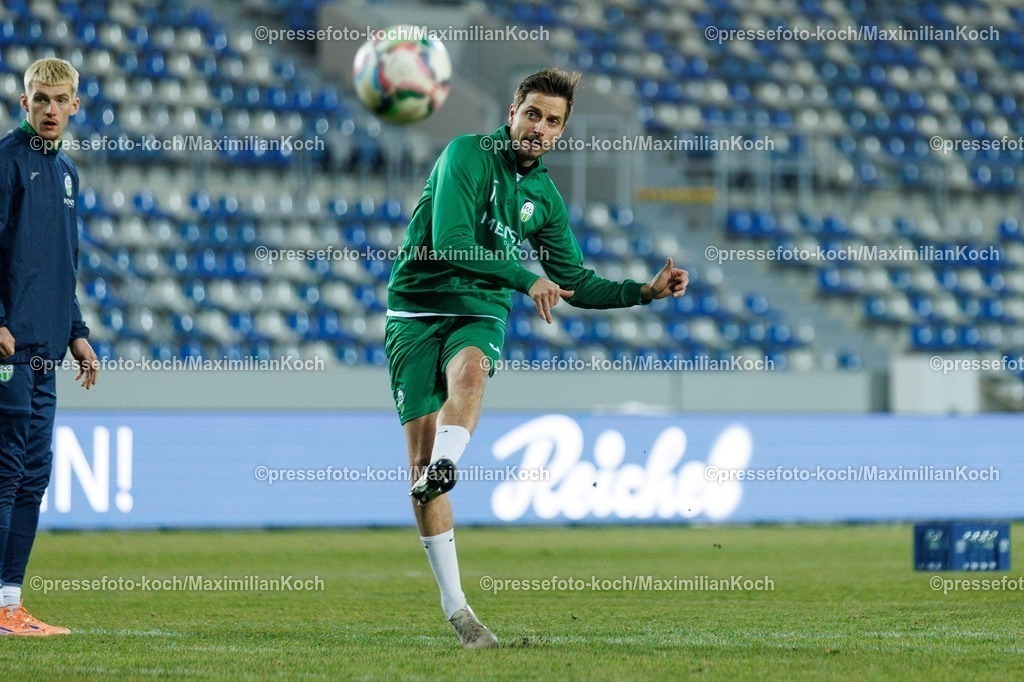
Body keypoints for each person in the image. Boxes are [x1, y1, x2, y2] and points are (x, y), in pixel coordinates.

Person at [384, 67, 688, 648]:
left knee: (472, 369)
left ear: (561, 132)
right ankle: (458, 607)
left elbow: (574, 280)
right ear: (512, 112)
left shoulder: (543, 197)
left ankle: (448, 466)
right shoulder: (466, 155)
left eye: (552, 122)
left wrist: (643, 292)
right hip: (415, 310)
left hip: (479, 307)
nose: (539, 128)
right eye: (533, 115)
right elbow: (450, 244)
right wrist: (528, 279)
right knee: (419, 478)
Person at [0, 58, 98, 636]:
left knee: (33, 475)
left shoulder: (66, 174)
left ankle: (10, 605)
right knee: (7, 472)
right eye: (41, 99)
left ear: (76, 106)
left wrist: (77, 331)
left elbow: (65, 265)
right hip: (9, 353)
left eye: (61, 100)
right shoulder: (6, 162)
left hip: (47, 354)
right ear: (24, 102)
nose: (51, 110)